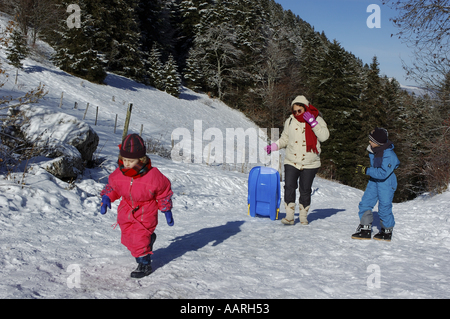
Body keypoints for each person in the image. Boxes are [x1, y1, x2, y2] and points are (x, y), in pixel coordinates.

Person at [100, 134, 174, 278]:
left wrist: (166, 209)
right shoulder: (119, 173)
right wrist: (106, 197)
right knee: (127, 238)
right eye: (124, 160)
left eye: (130, 161)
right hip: (126, 210)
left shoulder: (153, 175)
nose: (126, 164)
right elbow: (113, 187)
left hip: (146, 211)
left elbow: (164, 192)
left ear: (141, 159)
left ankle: (144, 265)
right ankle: (148, 241)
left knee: (138, 240)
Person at [265, 95, 329, 225]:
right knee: (289, 187)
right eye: (294, 111)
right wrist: (274, 146)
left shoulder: (317, 119)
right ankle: (289, 216)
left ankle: (303, 216)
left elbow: (324, 137)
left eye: (299, 111)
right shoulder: (290, 121)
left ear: (305, 108)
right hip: (292, 160)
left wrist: (313, 123)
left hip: (310, 162)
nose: (296, 113)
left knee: (305, 189)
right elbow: (285, 139)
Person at [352, 128, 400, 242]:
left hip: (386, 183)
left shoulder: (389, 154)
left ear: (379, 142)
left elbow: (383, 173)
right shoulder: (375, 150)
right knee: (365, 203)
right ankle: (365, 229)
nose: (369, 142)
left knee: (384, 206)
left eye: (371, 140)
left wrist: (366, 170)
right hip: (374, 180)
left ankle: (387, 231)